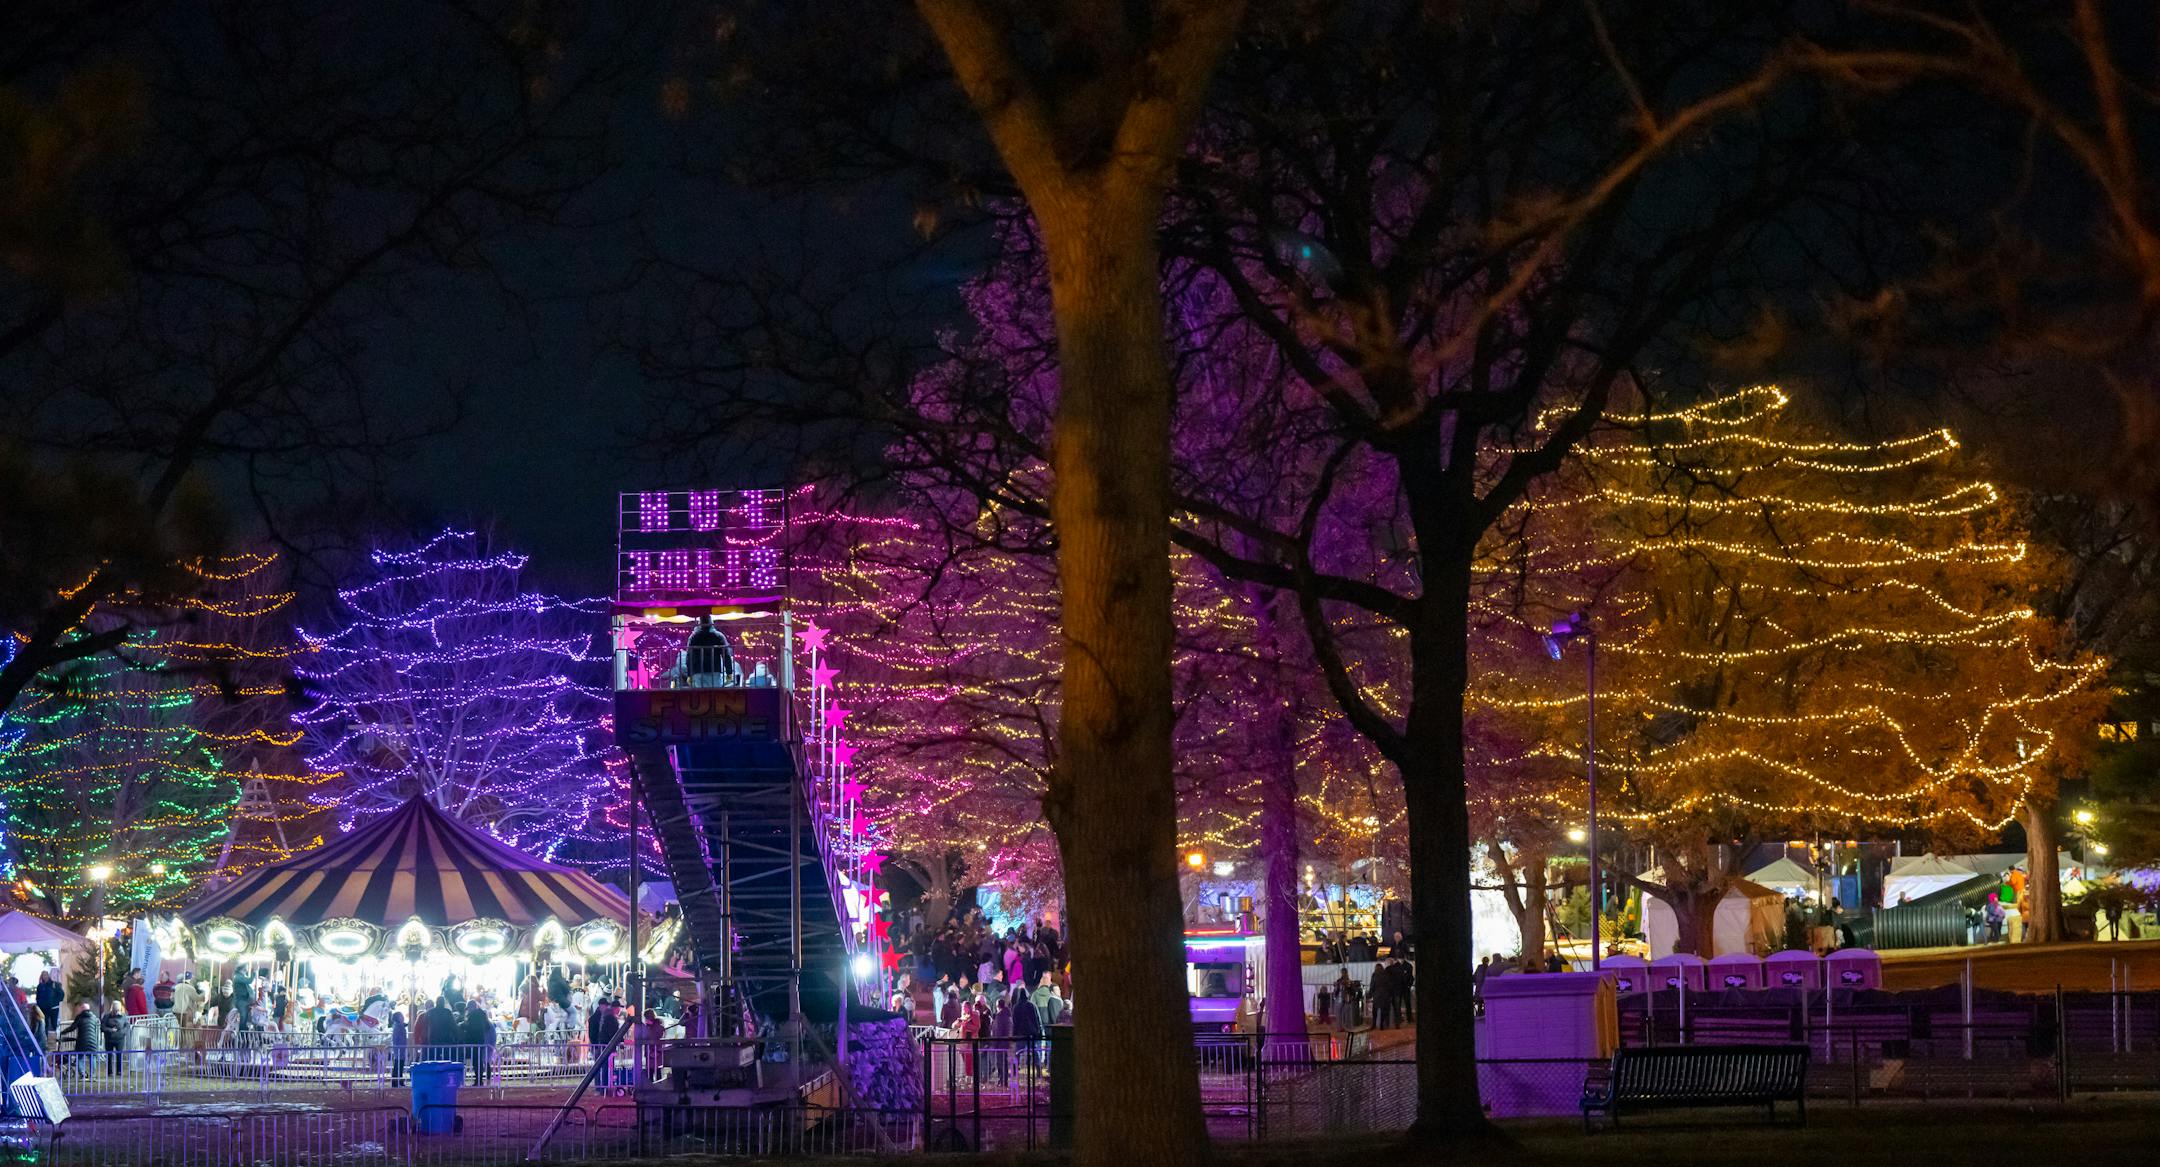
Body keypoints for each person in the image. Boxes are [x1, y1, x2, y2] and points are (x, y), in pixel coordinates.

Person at [686, 616, 737, 686]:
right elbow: (726, 655)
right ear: (712, 623)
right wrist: (729, 672)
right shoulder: (719, 636)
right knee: (715, 694)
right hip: (715, 669)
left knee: (701, 695)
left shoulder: (693, 637)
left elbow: (689, 656)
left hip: (698, 670)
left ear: (699, 623)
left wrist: (689, 674)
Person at [464, 1003, 494, 1085]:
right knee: (481, 1061)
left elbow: (469, 1028)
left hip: (475, 1042)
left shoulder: (473, 1016)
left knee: (477, 1062)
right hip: (482, 1042)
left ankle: (479, 1081)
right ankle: (482, 1080)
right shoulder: (482, 1016)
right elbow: (487, 1028)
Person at [35, 972, 63, 1042]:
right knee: (44, 1026)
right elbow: (38, 997)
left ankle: (52, 1043)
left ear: (48, 976)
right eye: (43, 975)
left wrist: (54, 1003)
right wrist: (40, 1004)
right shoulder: (40, 986)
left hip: (53, 1009)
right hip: (44, 1009)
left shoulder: (55, 985)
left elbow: (61, 995)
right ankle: (45, 1042)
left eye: (46, 975)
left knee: (53, 1026)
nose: (45, 977)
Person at [101, 1001, 127, 1076]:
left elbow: (127, 1025)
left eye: (118, 1010)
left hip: (120, 1039)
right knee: (109, 1056)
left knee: (119, 1055)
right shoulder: (107, 1016)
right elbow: (102, 1027)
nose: (117, 1012)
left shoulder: (123, 1016)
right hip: (109, 1039)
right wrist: (110, 1030)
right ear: (112, 1009)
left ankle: (119, 1071)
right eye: (115, 1010)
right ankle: (110, 1072)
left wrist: (123, 1032)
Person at [389, 1010, 409, 1087]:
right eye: (401, 1016)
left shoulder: (398, 1026)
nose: (403, 1017)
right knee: (398, 1065)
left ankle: (398, 1081)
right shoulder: (398, 1027)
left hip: (400, 1047)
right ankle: (396, 1081)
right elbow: (397, 1039)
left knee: (399, 1064)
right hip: (399, 1048)